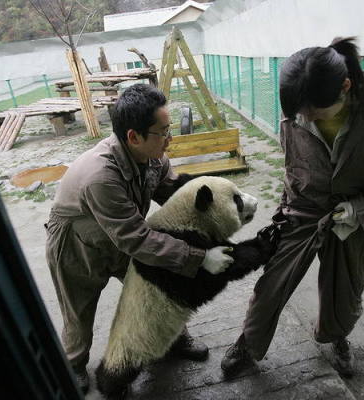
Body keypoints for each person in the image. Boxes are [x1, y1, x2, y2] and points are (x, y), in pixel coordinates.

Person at [220, 37, 364, 378]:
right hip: (304, 210)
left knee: (345, 293)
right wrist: (284, 211)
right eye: (298, 112)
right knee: (272, 283)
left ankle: (337, 339)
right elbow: (294, 165)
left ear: (346, 87)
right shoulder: (298, 106)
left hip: (358, 216)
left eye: (312, 111)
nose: (303, 118)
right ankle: (248, 344)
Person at [45, 84, 234, 394]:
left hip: (123, 232)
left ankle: (173, 340)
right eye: (163, 132)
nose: (170, 139)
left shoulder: (154, 157)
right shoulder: (100, 176)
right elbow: (137, 240)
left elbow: (173, 194)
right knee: (78, 310)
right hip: (77, 245)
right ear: (134, 137)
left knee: (158, 285)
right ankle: (74, 364)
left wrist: (213, 204)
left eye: (169, 128)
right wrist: (199, 258)